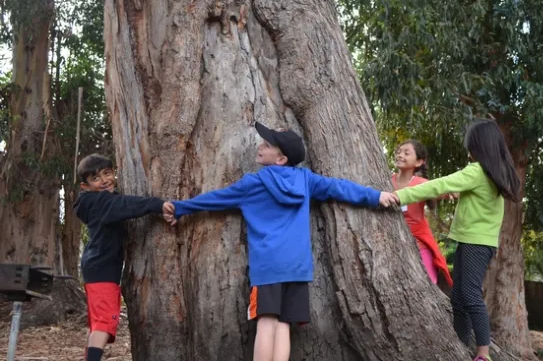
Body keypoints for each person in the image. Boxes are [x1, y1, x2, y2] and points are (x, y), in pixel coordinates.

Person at [163, 123, 398, 361]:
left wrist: (181, 208)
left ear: (281, 159)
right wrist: (376, 196)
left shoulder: (251, 184)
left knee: (267, 322)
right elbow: (339, 187)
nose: (260, 146)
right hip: (298, 266)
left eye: (266, 145)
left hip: (268, 266)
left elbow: (215, 199)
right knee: (284, 324)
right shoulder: (306, 180)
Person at [394, 120, 520, 361]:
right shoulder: (494, 173)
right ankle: (462, 343)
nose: (468, 150)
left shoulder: (476, 171)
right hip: (474, 241)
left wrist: (397, 195)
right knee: (458, 295)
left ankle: (484, 353)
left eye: (470, 145)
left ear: (478, 147)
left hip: (475, 242)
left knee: (469, 294)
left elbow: (438, 185)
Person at [73, 154, 174, 361]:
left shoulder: (94, 202)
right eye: (96, 178)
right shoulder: (102, 203)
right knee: (104, 321)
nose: (104, 181)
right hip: (102, 270)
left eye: (107, 173)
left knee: (97, 323)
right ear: (86, 186)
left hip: (96, 268)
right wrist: (158, 204)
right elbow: (127, 205)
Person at [392, 139, 453, 286]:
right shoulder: (386, 179)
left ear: (419, 162)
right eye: (399, 152)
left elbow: (439, 190)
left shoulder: (422, 183)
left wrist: (450, 192)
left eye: (406, 153)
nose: (400, 155)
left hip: (419, 242)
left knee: (428, 282)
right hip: (392, 239)